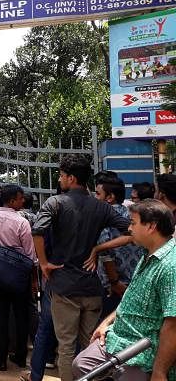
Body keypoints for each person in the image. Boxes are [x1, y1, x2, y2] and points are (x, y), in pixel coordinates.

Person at [31, 155, 130, 381]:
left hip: (64, 286)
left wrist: (44, 263)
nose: (60, 179)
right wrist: (97, 248)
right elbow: (131, 232)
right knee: (90, 346)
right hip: (92, 286)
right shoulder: (101, 207)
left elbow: (37, 231)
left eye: (62, 175)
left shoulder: (55, 203)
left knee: (66, 347)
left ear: (71, 178)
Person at [72, 199, 176, 381]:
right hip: (118, 340)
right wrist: (107, 322)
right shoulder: (147, 256)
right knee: (81, 365)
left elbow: (172, 325)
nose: (129, 228)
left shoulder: (170, 266)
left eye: (133, 223)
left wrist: (160, 371)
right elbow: (130, 298)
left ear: (151, 226)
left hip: (142, 354)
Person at [0, 184, 36, 371]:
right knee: (21, 317)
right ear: (12, 200)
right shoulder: (22, 222)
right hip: (19, 277)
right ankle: (21, 356)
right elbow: (30, 255)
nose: (23, 201)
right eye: (21, 198)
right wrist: (31, 278)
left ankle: (0, 359)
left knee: (0, 317)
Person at [94, 177, 143, 317]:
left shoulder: (103, 216)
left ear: (110, 197)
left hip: (114, 287)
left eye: (98, 193)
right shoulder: (133, 215)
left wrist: (114, 282)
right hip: (135, 283)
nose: (95, 197)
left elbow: (105, 254)